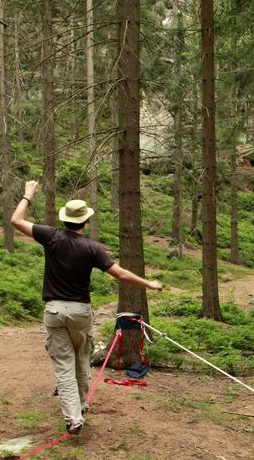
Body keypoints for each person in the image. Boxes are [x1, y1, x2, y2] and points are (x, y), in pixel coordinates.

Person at [11, 180, 163, 434]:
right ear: (84, 221)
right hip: (81, 312)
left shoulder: (51, 236)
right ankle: (80, 407)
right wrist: (147, 283)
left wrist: (28, 194)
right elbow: (122, 275)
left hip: (55, 311)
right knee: (81, 360)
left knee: (63, 364)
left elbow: (16, 220)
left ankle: (74, 418)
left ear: (65, 219)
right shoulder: (92, 248)